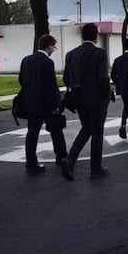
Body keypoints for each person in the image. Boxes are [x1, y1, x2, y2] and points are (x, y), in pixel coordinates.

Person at [63, 23, 111, 180]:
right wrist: (107, 94)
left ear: (82, 36)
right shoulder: (100, 53)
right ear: (96, 36)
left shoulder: (71, 54)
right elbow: (103, 78)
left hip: (79, 99)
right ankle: (96, 168)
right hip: (97, 99)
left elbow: (66, 78)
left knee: (86, 129)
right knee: (97, 132)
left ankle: (70, 160)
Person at [17, 34, 66, 175]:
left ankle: (31, 163)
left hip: (30, 103)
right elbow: (51, 86)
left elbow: (21, 80)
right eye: (54, 47)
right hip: (45, 104)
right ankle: (61, 156)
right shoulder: (47, 62)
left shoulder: (26, 60)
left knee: (32, 133)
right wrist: (56, 105)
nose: (54, 50)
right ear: (49, 46)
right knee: (56, 130)